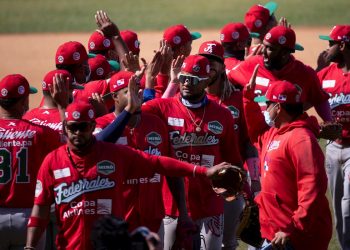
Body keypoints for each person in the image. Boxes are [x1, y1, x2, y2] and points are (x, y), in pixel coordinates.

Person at [25, 100, 236, 250]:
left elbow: (159, 163)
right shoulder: (52, 161)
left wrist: (203, 171)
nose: (78, 133)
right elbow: (40, 208)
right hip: (69, 245)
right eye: (73, 127)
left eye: (83, 127)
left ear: (92, 127)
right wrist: (30, 246)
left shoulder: (114, 154)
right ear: (65, 127)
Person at [142, 55, 243, 249]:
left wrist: (243, 189)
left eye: (193, 79)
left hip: (210, 204)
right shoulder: (162, 108)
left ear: (206, 81)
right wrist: (153, 82)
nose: (187, 83)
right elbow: (134, 112)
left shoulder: (222, 115)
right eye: (183, 77)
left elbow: (233, 158)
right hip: (171, 206)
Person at [243, 66, 332, 250]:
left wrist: (293, 227)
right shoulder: (274, 133)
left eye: (267, 104)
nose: (265, 109)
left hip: (298, 237)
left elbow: (312, 188)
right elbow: (256, 132)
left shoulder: (301, 139)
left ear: (278, 107)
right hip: (276, 233)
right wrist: (248, 99)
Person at [197, 40, 260, 250]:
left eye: (214, 61)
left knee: (228, 243)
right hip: (199, 180)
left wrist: (254, 181)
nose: (209, 66)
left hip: (231, 181)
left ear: (223, 66)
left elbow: (248, 143)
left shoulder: (236, 98)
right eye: (205, 61)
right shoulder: (192, 98)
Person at [94, 70, 171, 234]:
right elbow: (96, 146)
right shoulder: (100, 125)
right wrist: (128, 110)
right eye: (129, 91)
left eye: (139, 89)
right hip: (114, 224)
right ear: (115, 97)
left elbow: (170, 169)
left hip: (153, 221)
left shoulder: (156, 124)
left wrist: (183, 214)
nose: (137, 95)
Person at [0, 74, 62, 250]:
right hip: (28, 219)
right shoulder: (40, 133)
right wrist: (63, 106)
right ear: (24, 102)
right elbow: (70, 142)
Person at [228, 25, 332, 122]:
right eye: (264, 46)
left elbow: (320, 100)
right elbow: (225, 81)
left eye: (270, 48)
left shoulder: (305, 74)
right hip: (256, 135)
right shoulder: (252, 64)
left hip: (286, 136)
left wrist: (330, 122)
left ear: (285, 53)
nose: (263, 52)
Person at [318, 24, 350, 250]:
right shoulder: (325, 74)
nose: (326, 48)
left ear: (342, 45)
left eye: (330, 44)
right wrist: (317, 68)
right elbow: (299, 95)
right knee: (338, 209)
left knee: (348, 206)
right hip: (331, 148)